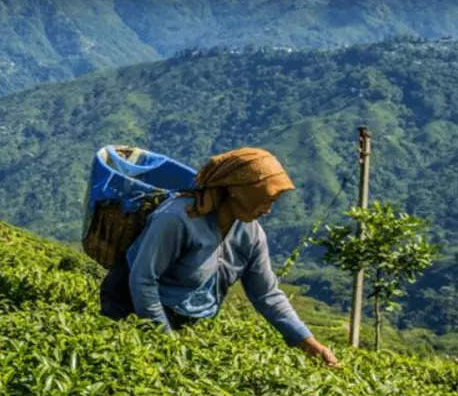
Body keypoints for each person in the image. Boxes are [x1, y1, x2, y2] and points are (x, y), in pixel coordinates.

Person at [99, 148, 340, 367]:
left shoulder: (251, 233)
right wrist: (164, 340)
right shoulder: (177, 219)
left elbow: (267, 295)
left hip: (185, 319)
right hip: (130, 308)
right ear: (237, 191)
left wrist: (311, 346)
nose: (268, 209)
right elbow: (143, 281)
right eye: (266, 198)